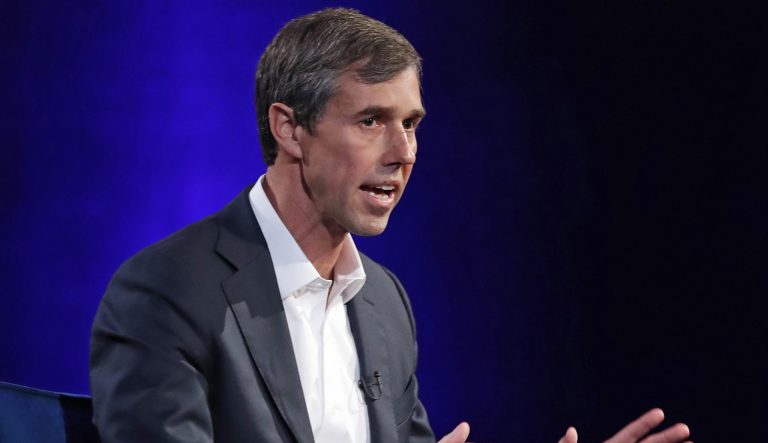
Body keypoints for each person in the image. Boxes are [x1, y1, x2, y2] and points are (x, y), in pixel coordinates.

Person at [90, 8, 692, 443]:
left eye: (412, 123)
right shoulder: (165, 292)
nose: (404, 152)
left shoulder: (384, 301)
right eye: (372, 120)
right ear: (289, 128)